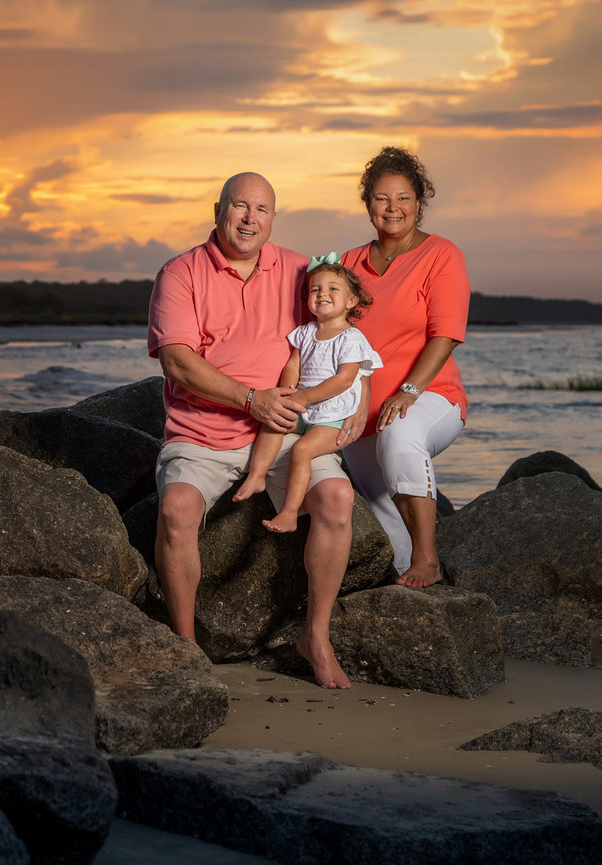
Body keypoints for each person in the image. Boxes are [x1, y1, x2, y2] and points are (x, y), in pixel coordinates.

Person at [147, 171, 361, 689]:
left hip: (286, 429)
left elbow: (345, 333)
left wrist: (361, 402)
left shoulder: (296, 270)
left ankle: (316, 636)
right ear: (218, 209)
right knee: (176, 510)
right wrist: (249, 399)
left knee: (335, 499)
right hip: (201, 433)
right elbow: (176, 362)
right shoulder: (181, 273)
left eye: (261, 210)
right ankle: (185, 646)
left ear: (272, 218)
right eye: (240, 206)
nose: (249, 218)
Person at [338, 146, 470, 589]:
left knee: (400, 437)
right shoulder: (347, 265)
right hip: (362, 410)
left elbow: (445, 335)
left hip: (431, 398)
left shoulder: (442, 255)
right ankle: (409, 590)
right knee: (381, 508)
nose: (392, 208)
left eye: (403, 198)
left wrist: (408, 392)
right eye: (381, 198)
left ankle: (428, 559)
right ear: (367, 204)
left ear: (419, 202)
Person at [232, 255, 381, 533]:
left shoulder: (351, 338)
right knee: (273, 424)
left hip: (331, 417)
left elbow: (344, 380)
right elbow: (293, 365)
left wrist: (304, 398)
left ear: (351, 301)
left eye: (333, 288)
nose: (323, 293)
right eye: (316, 289)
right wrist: (289, 394)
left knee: (301, 450)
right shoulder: (305, 332)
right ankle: (257, 475)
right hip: (304, 407)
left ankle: (289, 512)